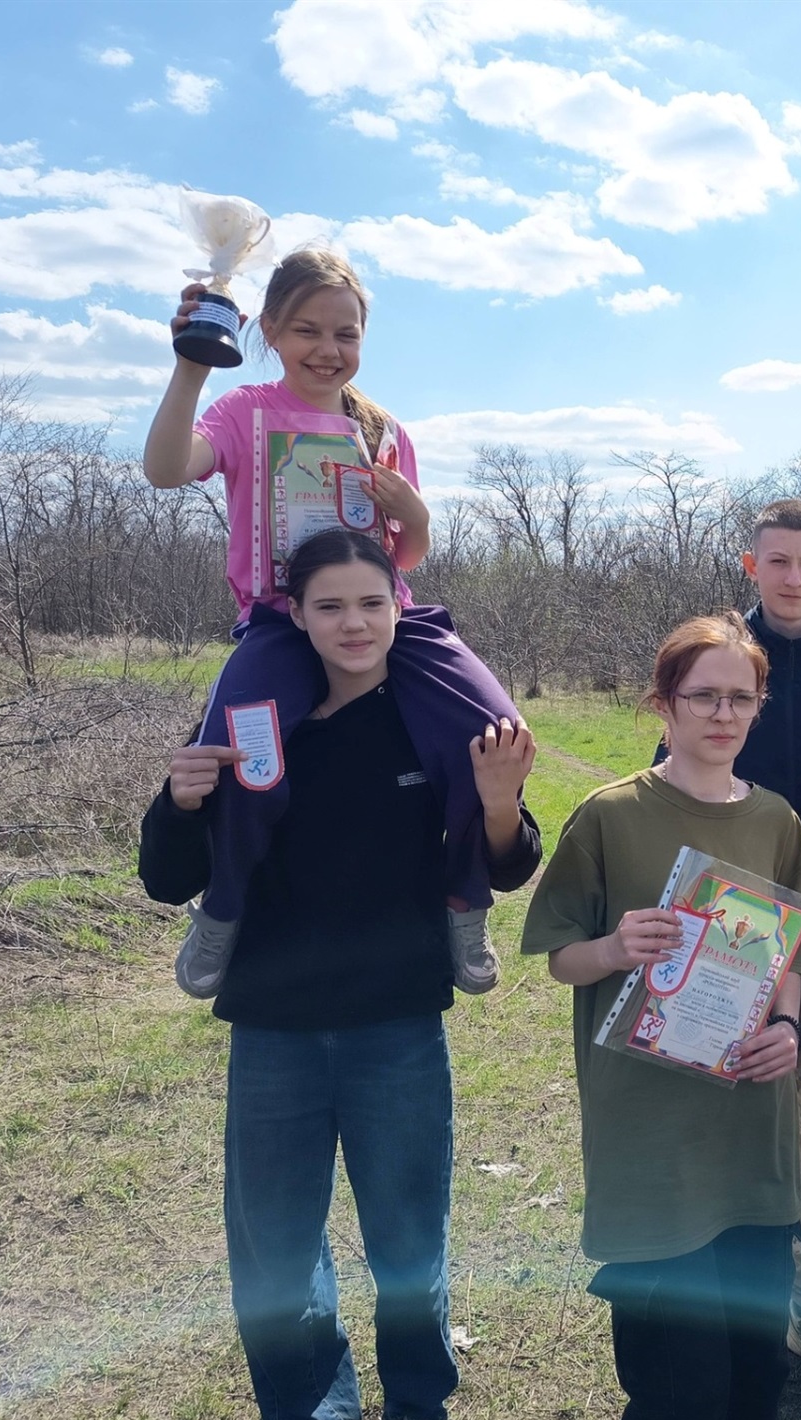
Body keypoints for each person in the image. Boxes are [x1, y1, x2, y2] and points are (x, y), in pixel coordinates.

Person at [138, 528, 541, 1420]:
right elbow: (167, 878)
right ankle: (312, 1407)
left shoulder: (428, 717)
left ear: (399, 605)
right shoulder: (254, 725)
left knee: (407, 1243)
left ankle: (416, 1403)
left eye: (371, 602)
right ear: (297, 615)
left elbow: (510, 863)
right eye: (331, 606)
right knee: (277, 1253)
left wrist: (503, 801)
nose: (354, 622)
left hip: (396, 1027)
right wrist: (179, 801)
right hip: (273, 1028)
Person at [143, 247, 519, 1002]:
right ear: (271, 330)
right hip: (282, 624)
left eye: (346, 334)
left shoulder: (378, 428)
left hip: (387, 618)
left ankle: (463, 896)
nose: (328, 350)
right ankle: (222, 907)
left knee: (495, 728)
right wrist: (192, 364)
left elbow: (403, 554)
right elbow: (165, 468)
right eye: (308, 331)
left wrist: (412, 513)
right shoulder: (246, 412)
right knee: (240, 753)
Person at [521, 611, 801, 1420]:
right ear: (663, 703)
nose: (723, 714)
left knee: (754, 1378)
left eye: (742, 697)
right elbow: (560, 954)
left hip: (748, 1134)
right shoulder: (609, 813)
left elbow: (793, 956)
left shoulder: (772, 820)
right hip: (651, 1137)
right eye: (703, 696)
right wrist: (617, 945)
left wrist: (788, 1030)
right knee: (676, 1390)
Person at [652, 497, 801, 1401]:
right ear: (752, 566)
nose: (792, 576)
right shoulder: (717, 655)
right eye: (777, 560)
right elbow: (675, 783)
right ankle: (724, 1300)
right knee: (728, 1118)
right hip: (728, 931)